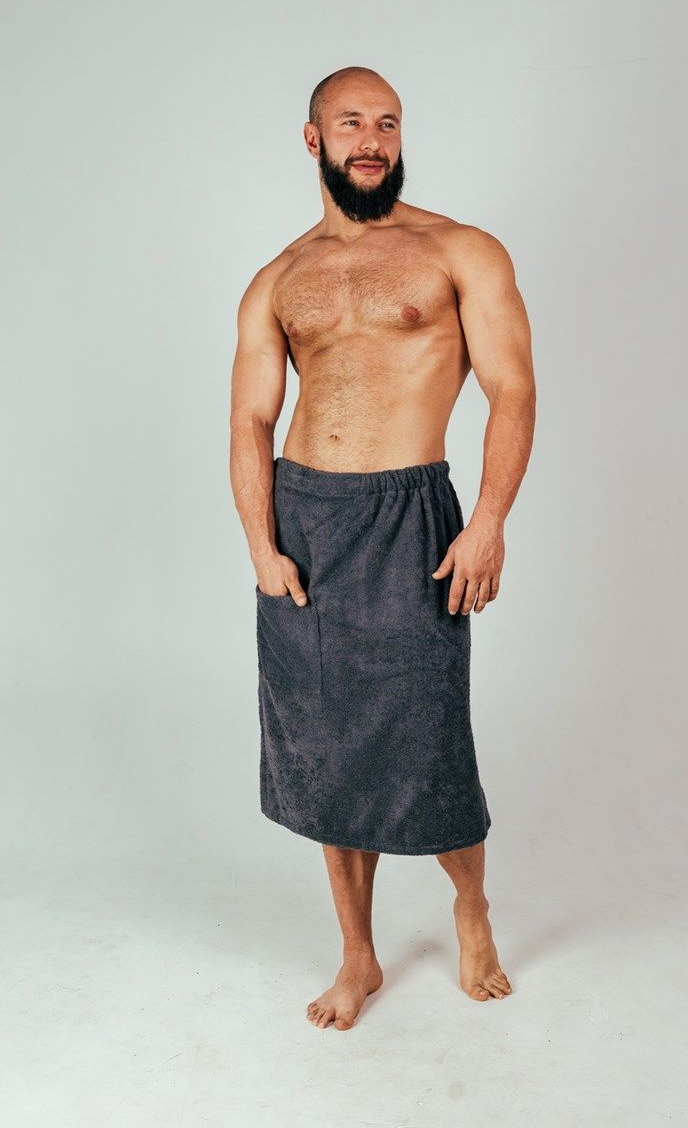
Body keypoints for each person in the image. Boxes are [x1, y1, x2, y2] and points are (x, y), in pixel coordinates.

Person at [229, 65, 536, 1030]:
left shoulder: (459, 250)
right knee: (325, 745)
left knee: (429, 737)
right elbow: (250, 419)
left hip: (410, 515)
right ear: (313, 139)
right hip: (306, 517)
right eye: (352, 122)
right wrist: (261, 543)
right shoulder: (278, 277)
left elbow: (514, 389)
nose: (372, 140)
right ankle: (357, 954)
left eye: (388, 124)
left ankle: (470, 905)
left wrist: (488, 519)